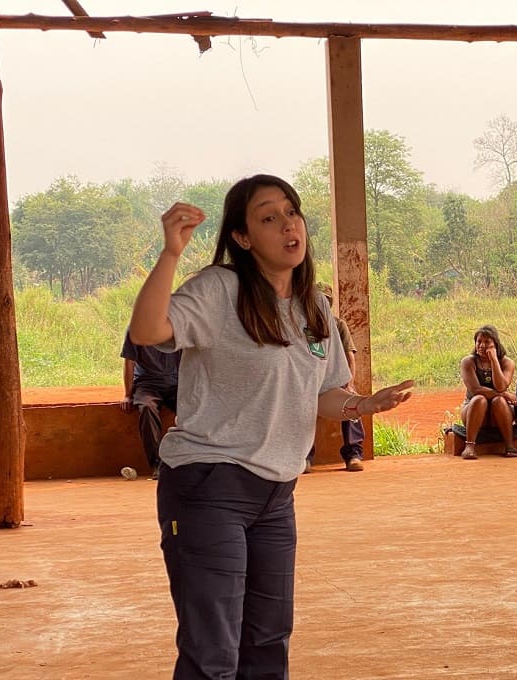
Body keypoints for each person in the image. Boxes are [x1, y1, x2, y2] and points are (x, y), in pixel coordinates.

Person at [128, 175, 413, 678]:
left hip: (277, 493)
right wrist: (170, 254)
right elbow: (149, 331)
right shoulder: (220, 289)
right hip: (208, 485)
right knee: (212, 648)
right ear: (242, 238)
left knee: (267, 641)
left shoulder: (314, 307)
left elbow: (323, 395)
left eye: (292, 212)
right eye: (268, 217)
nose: (289, 225)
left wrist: (363, 404)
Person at [306, 282, 366, 473]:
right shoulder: (306, 327)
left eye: (325, 300)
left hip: (335, 380)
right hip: (311, 381)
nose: (320, 304)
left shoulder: (338, 325)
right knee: (300, 407)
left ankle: (354, 454)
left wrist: (349, 384)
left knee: (352, 404)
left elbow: (350, 357)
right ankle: (305, 456)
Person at [119, 330, 180, 479]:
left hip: (177, 383)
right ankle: (157, 464)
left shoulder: (181, 325)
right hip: (147, 384)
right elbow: (129, 362)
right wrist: (128, 394)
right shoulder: (138, 328)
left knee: (192, 410)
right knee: (147, 407)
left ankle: (189, 462)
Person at [459, 325, 517, 460]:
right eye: (479, 342)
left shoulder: (507, 363)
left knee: (498, 401)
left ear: (495, 344)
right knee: (480, 399)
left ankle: (509, 445)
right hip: (474, 411)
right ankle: (470, 446)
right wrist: (503, 394)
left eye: (487, 342)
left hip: (498, 413)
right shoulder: (468, 362)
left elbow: (501, 385)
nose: (482, 345)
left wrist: (494, 361)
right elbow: (475, 389)